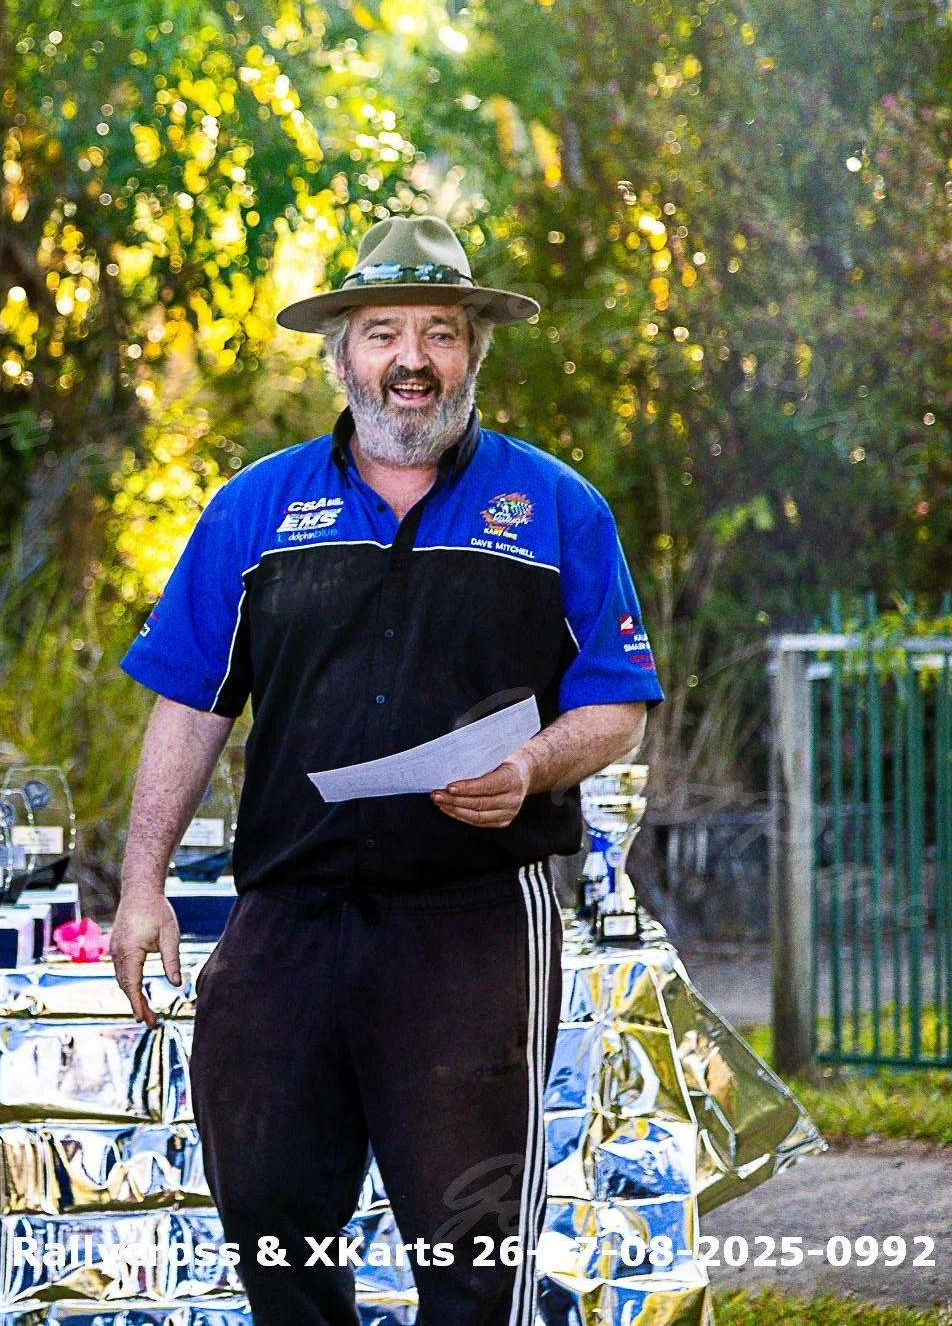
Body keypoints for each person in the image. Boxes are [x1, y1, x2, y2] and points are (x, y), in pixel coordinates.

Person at [109, 215, 663, 1326]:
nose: (410, 360)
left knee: (467, 1251)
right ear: (340, 355)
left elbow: (617, 706)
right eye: (381, 334)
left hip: (472, 920)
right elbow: (188, 700)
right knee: (272, 1224)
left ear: (472, 354)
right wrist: (138, 883)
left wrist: (534, 761)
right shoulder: (252, 509)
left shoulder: (555, 507)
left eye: (438, 334)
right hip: (287, 914)